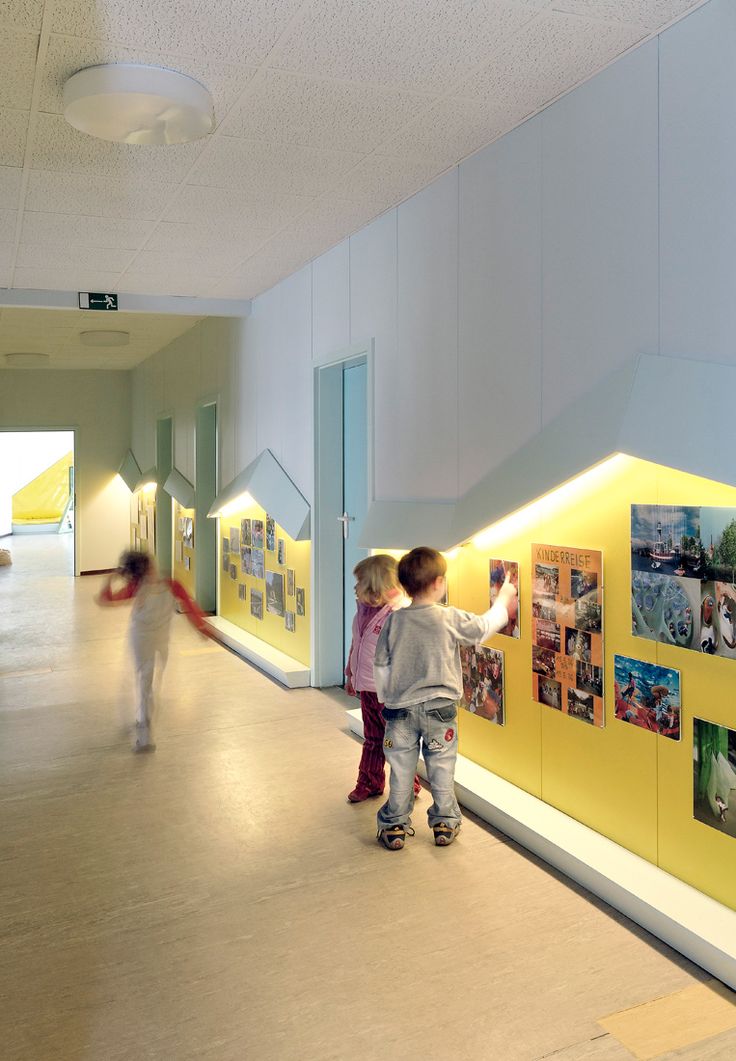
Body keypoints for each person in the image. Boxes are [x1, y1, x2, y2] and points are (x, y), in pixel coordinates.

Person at [373, 546, 517, 850]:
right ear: (439, 582)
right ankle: (444, 823)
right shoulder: (448, 618)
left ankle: (395, 826)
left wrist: (386, 696)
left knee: (400, 769)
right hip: (441, 710)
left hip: (399, 711)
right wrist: (504, 599)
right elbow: (482, 628)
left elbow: (381, 665)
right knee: (441, 767)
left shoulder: (394, 621)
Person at [96, 549, 210, 752]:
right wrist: (200, 628)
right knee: (148, 684)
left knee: (146, 683)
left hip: (148, 640)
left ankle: (144, 727)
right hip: (152, 641)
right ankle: (144, 731)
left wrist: (112, 577)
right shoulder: (165, 586)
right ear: (148, 566)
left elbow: (106, 600)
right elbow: (190, 607)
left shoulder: (146, 587)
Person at [344, 555, 421, 803]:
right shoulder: (361, 615)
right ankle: (369, 782)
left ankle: (408, 785)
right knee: (373, 739)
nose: (355, 589)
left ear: (377, 589)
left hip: (390, 694)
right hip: (367, 689)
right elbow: (356, 646)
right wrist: (350, 674)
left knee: (396, 743)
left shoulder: (396, 617)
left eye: (361, 584)